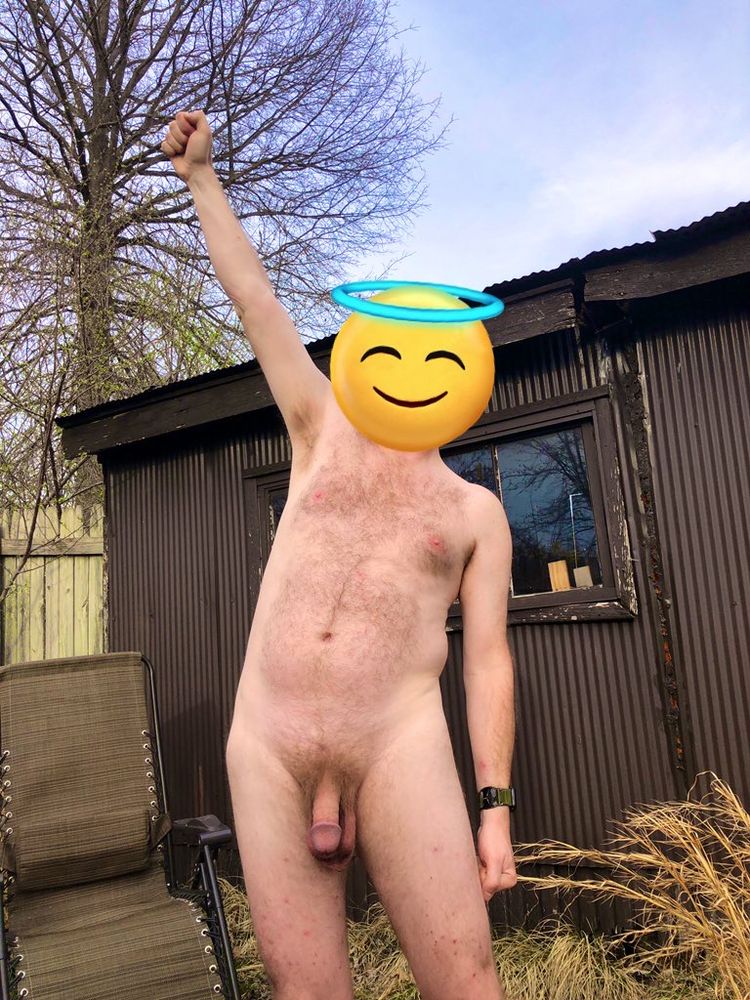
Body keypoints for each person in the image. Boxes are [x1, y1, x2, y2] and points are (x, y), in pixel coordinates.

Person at [161, 110, 517, 1000]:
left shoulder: (474, 512)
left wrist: (495, 813)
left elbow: (487, 663)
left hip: (398, 745)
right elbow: (257, 301)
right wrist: (201, 177)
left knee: (467, 979)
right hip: (268, 744)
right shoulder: (320, 426)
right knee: (305, 989)